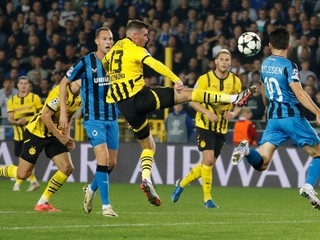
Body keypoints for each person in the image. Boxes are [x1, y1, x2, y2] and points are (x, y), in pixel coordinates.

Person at [102, 19, 255, 207]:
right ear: (134, 36)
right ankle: (233, 99)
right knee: (187, 93)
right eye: (144, 35)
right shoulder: (135, 49)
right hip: (141, 97)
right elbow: (155, 64)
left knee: (149, 146)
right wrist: (175, 79)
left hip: (125, 107)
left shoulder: (114, 50)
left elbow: (107, 70)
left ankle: (146, 179)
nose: (147, 39)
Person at [231, 26, 320, 211]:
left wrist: (267, 109)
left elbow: (264, 91)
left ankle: (247, 151)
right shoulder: (289, 66)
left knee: (262, 163)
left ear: (270, 45)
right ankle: (309, 186)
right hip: (292, 117)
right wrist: (317, 112)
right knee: (318, 154)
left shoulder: (265, 64)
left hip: (273, 119)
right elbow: (300, 93)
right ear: (288, 46)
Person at [59, 27, 119, 217]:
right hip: (93, 119)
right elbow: (63, 83)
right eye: (104, 39)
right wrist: (63, 112)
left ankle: (91, 190)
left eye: (111, 38)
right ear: (97, 42)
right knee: (103, 160)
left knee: (111, 163)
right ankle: (106, 206)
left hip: (113, 119)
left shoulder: (118, 63)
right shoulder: (86, 62)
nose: (109, 42)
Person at [171, 49, 242, 208]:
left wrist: (234, 113)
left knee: (207, 164)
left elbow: (238, 104)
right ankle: (207, 199)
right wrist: (207, 112)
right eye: (221, 59)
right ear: (216, 62)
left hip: (221, 128)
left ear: (230, 62)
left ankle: (181, 184)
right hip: (204, 124)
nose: (224, 62)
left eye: (227, 59)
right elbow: (191, 100)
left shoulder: (236, 81)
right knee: (208, 160)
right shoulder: (204, 79)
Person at [0, 80, 81, 212]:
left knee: (67, 168)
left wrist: (66, 135)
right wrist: (60, 137)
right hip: (36, 133)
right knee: (22, 174)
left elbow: (68, 116)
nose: (85, 79)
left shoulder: (79, 97)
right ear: (74, 79)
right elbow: (45, 116)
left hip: (54, 134)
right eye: (82, 77)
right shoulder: (59, 92)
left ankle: (43, 202)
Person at [7, 76, 43, 192]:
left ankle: (17, 184)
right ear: (17, 85)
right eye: (21, 83)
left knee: (25, 161)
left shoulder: (35, 98)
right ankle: (33, 182)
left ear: (29, 86)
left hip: (32, 134)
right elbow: (10, 118)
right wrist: (17, 122)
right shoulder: (11, 100)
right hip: (18, 135)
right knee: (22, 161)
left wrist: (28, 120)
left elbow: (42, 115)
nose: (23, 85)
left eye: (26, 83)